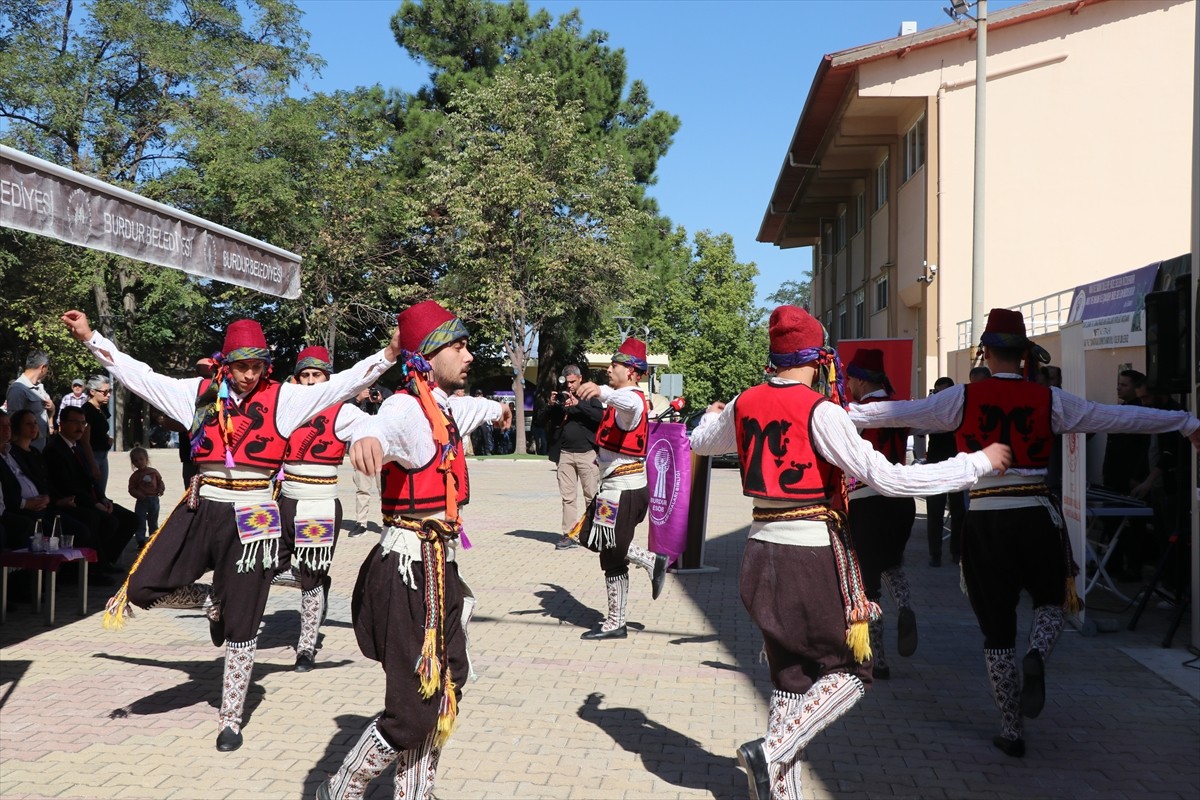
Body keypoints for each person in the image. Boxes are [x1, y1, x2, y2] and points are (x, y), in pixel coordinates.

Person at [689, 306, 1011, 800]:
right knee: (852, 672)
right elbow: (888, 478)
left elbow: (700, 442)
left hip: (759, 549)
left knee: (791, 679)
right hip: (808, 554)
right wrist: (976, 464)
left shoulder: (744, 402)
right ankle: (771, 750)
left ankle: (780, 783)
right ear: (819, 358)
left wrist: (712, 416)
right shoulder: (821, 411)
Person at [850, 307, 1200, 758]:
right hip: (1036, 512)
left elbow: (892, 411)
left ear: (985, 351)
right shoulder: (1051, 399)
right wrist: (1185, 423)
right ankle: (1036, 652)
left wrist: (819, 414)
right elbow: (1114, 416)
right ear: (1024, 354)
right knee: (1051, 602)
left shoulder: (959, 398)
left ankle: (1011, 729)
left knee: (996, 630)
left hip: (984, 517)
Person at [61, 309, 400, 753]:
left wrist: (389, 353)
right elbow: (138, 375)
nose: (249, 375)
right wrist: (91, 337)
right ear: (226, 364)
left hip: (261, 510)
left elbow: (344, 385)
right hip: (203, 506)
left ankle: (231, 717)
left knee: (255, 613)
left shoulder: (286, 398)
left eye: (257, 365)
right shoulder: (197, 394)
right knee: (143, 587)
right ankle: (212, 601)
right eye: (242, 366)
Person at [317, 300, 509, 800]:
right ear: (427, 354)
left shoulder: (444, 406)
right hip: (406, 569)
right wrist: (368, 438)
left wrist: (501, 410)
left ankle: (415, 792)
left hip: (440, 566)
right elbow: (379, 426)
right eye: (458, 346)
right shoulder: (405, 407)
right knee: (412, 707)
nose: (469, 355)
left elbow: (478, 408)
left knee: (447, 683)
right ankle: (341, 788)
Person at [273, 345, 370, 672]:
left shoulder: (343, 412)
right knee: (262, 566)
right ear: (296, 379)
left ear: (328, 379)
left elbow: (371, 429)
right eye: (305, 375)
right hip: (281, 499)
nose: (311, 381)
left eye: (317, 375)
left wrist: (368, 440)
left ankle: (306, 647)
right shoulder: (283, 408)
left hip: (319, 505)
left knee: (312, 577)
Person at [570, 338, 669, 641]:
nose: (609, 369)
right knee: (602, 544)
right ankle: (618, 617)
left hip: (625, 490)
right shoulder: (618, 401)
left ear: (631, 371)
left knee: (613, 550)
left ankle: (619, 617)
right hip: (611, 489)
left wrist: (603, 392)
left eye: (615, 365)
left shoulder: (633, 401)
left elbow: (630, 403)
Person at [843, 348, 918, 679]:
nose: (848, 386)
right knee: (893, 563)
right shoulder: (899, 409)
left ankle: (878, 660)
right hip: (901, 500)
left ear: (861, 380)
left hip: (867, 500)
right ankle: (904, 605)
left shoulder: (857, 414)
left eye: (850, 379)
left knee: (868, 583)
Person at [43, 405, 138, 572]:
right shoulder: (54, 450)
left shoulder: (77, 448)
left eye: (83, 423)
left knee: (131, 519)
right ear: (62, 424)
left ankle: (106, 560)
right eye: (75, 422)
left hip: (91, 498)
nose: (80, 427)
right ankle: (96, 567)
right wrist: (95, 504)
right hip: (73, 501)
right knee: (106, 520)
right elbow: (68, 485)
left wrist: (103, 499)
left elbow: (91, 481)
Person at [546, 365, 603, 551]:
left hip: (587, 454)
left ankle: (593, 533)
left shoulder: (590, 397)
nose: (570, 385)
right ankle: (569, 534)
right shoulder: (562, 397)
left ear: (580, 379)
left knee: (591, 496)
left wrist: (578, 404)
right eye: (567, 382)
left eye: (573, 381)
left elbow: (599, 417)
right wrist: (552, 405)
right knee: (568, 498)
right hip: (565, 454)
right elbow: (547, 421)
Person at [924, 377, 966, 567]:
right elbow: (919, 431)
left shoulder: (959, 409)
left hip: (955, 465)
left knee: (958, 511)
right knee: (935, 512)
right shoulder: (931, 410)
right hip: (935, 466)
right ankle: (935, 554)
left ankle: (956, 551)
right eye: (938, 392)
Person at [346, 384, 389, 537]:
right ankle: (361, 523)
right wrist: (358, 400)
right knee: (362, 489)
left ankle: (389, 523)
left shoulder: (385, 392)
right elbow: (345, 414)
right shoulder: (355, 393)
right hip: (361, 448)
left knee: (385, 491)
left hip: (382, 450)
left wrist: (382, 401)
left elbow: (394, 416)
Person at [6, 350, 54, 450]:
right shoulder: (17, 389)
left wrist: (52, 408)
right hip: (25, 450)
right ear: (43, 368)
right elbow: (13, 424)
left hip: (40, 449)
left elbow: (47, 414)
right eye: (47, 369)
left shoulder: (40, 387)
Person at [82, 375, 113, 496]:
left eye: (109, 391)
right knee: (93, 493)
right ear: (92, 392)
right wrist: (93, 464)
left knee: (101, 493)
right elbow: (85, 441)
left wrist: (107, 439)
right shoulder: (87, 410)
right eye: (105, 392)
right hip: (92, 455)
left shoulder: (102, 408)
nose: (108, 395)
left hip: (103, 454)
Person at [128, 447, 165, 547]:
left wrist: (160, 489)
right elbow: (131, 489)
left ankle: (153, 539)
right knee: (140, 521)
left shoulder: (153, 472)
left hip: (154, 499)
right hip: (142, 501)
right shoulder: (135, 476)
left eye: (141, 459)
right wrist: (138, 494)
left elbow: (160, 482)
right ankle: (140, 540)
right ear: (133, 463)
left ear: (146, 459)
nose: (139, 462)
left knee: (153, 521)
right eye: (135, 461)